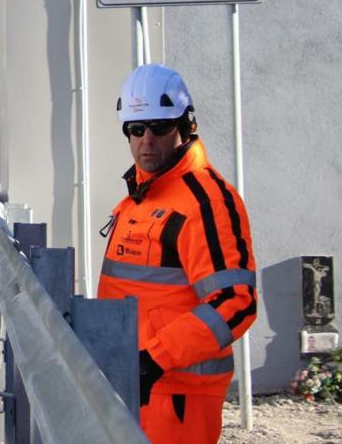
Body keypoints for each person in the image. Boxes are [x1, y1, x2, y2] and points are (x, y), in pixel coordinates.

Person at [98, 64, 258, 444]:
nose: (146, 140)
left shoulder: (206, 202)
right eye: (136, 130)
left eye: (160, 127)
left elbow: (236, 302)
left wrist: (154, 360)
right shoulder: (140, 196)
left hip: (178, 397)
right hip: (132, 386)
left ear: (186, 126)